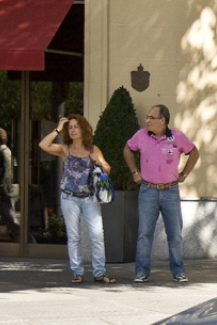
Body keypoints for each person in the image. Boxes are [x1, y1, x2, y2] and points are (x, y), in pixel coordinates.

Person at [124, 104, 200, 283]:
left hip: (171, 190)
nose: (147, 120)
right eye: (147, 117)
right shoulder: (141, 135)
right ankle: (141, 272)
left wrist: (185, 174)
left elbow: (194, 153)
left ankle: (178, 271)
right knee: (144, 233)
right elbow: (127, 149)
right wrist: (135, 172)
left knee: (174, 233)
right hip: (148, 190)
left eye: (151, 117)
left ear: (163, 120)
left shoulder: (177, 137)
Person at [39, 115, 116, 284]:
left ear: (83, 129)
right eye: (70, 128)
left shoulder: (92, 150)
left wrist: (100, 164)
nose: (72, 130)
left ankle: (99, 273)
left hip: (90, 198)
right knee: (74, 237)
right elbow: (43, 145)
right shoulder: (64, 149)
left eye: (76, 127)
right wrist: (58, 129)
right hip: (69, 197)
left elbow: (108, 169)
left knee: (97, 235)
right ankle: (77, 272)